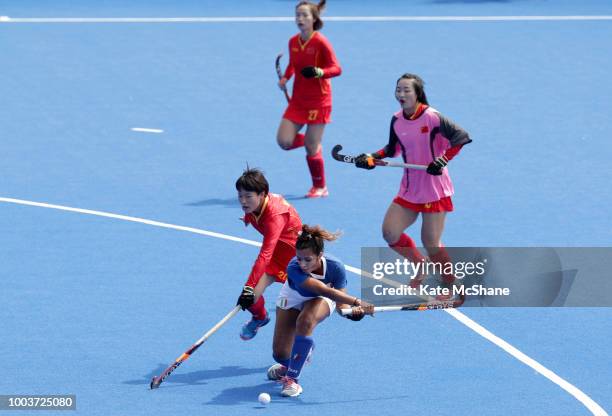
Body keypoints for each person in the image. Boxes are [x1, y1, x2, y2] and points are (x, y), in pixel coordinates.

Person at [354, 73, 472, 288]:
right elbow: (393, 148)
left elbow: (461, 137)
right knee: (390, 233)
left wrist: (442, 160)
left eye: (407, 90)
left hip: (434, 189)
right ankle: (420, 264)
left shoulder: (433, 117)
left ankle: (450, 282)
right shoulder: (397, 119)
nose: (401, 94)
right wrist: (372, 157)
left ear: (418, 93)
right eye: (398, 89)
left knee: (431, 242)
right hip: (409, 189)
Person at [266, 225, 374, 397]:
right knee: (279, 353)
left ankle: (292, 380)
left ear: (320, 256)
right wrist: (357, 301)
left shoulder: (335, 267)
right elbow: (325, 290)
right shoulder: (294, 267)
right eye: (299, 258)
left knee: (305, 321)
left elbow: (341, 307)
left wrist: (356, 313)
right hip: (294, 295)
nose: (302, 264)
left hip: (321, 300)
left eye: (307, 259)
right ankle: (296, 357)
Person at [276, 0, 342, 198]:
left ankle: (320, 187)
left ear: (314, 19)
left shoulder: (321, 42)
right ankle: (313, 143)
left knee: (311, 148)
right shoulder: (293, 41)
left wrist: (320, 71)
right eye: (297, 15)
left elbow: (337, 68)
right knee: (284, 141)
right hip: (298, 100)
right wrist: (285, 78)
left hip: (319, 101)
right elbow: (293, 65)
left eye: (304, 15)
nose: (300, 19)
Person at [235, 168, 302, 340]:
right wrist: (248, 218)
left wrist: (248, 286)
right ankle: (260, 318)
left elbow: (265, 253)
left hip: (298, 261)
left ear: (262, 194)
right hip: (276, 258)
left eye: (248, 196)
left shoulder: (275, 216)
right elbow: (253, 212)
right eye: (240, 196)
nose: (243, 201)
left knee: (300, 311)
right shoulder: (254, 206)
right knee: (252, 299)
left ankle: (302, 349)